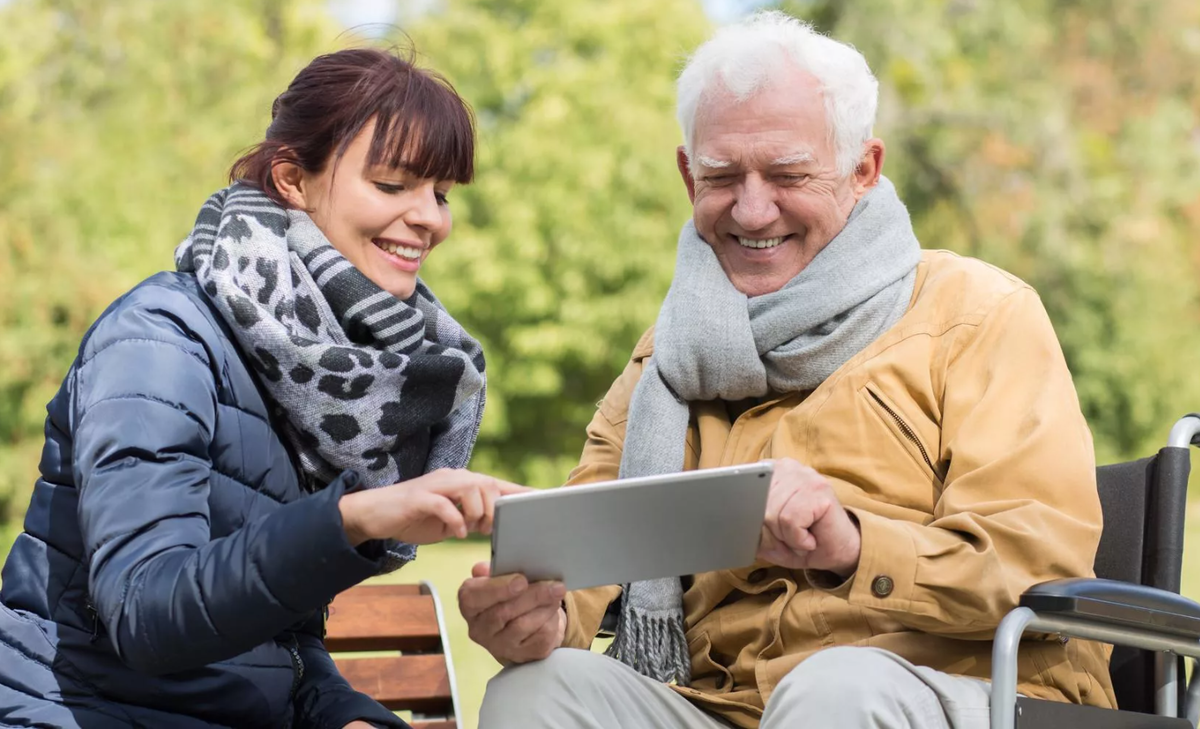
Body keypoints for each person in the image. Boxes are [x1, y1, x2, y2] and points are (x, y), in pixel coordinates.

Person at [458, 11, 1115, 729]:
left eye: (787, 173)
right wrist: (533, 614)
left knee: (833, 690)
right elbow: (584, 562)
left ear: (862, 169)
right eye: (722, 174)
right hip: (726, 704)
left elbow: (1036, 563)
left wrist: (853, 544)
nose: (751, 206)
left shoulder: (979, 313)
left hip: (964, 694)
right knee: (535, 690)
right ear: (687, 173)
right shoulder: (667, 355)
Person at [0, 48, 524, 728]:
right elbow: (148, 613)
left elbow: (283, 651)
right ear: (292, 181)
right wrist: (356, 517)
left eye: (442, 192)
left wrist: (348, 716)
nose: (432, 218)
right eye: (394, 185)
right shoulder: (159, 342)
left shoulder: (323, 375)